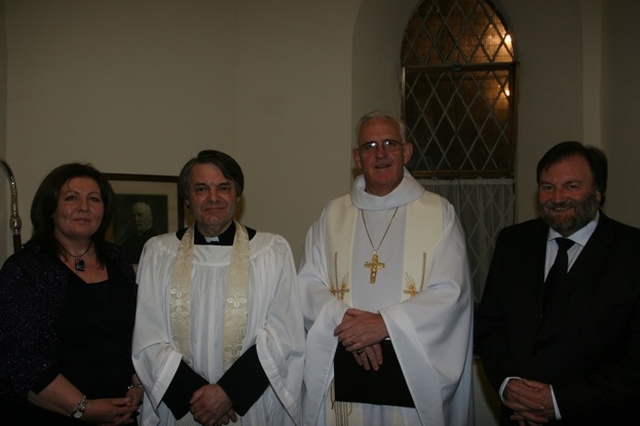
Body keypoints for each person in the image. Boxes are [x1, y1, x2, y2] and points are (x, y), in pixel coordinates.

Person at [298, 110, 475, 426]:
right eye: (369, 146)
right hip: (344, 369)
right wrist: (347, 325)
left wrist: (385, 325)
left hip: (409, 383)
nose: (380, 153)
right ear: (357, 157)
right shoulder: (333, 215)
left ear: (406, 152)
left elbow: (451, 293)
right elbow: (307, 284)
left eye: (390, 143)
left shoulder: (438, 213)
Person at [132, 150, 304, 426]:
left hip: (248, 408)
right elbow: (147, 337)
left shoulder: (271, 251)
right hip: (183, 408)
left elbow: (284, 335)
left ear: (238, 195)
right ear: (187, 199)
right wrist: (200, 401)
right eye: (201, 189)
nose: (213, 197)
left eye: (224, 188)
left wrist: (229, 393)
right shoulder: (159, 253)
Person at [475, 141, 640, 425]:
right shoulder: (513, 243)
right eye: (547, 186)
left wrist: (558, 401)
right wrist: (508, 383)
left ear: (598, 192)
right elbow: (491, 325)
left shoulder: (632, 253)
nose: (558, 197)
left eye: (572, 186)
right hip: (518, 416)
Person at [0, 163, 142, 425]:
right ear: (50, 208)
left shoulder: (118, 259)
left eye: (94, 199)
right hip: (54, 414)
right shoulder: (25, 268)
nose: (84, 207)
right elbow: (18, 358)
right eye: (71, 197)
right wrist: (83, 408)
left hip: (123, 414)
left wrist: (138, 386)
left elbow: (135, 333)